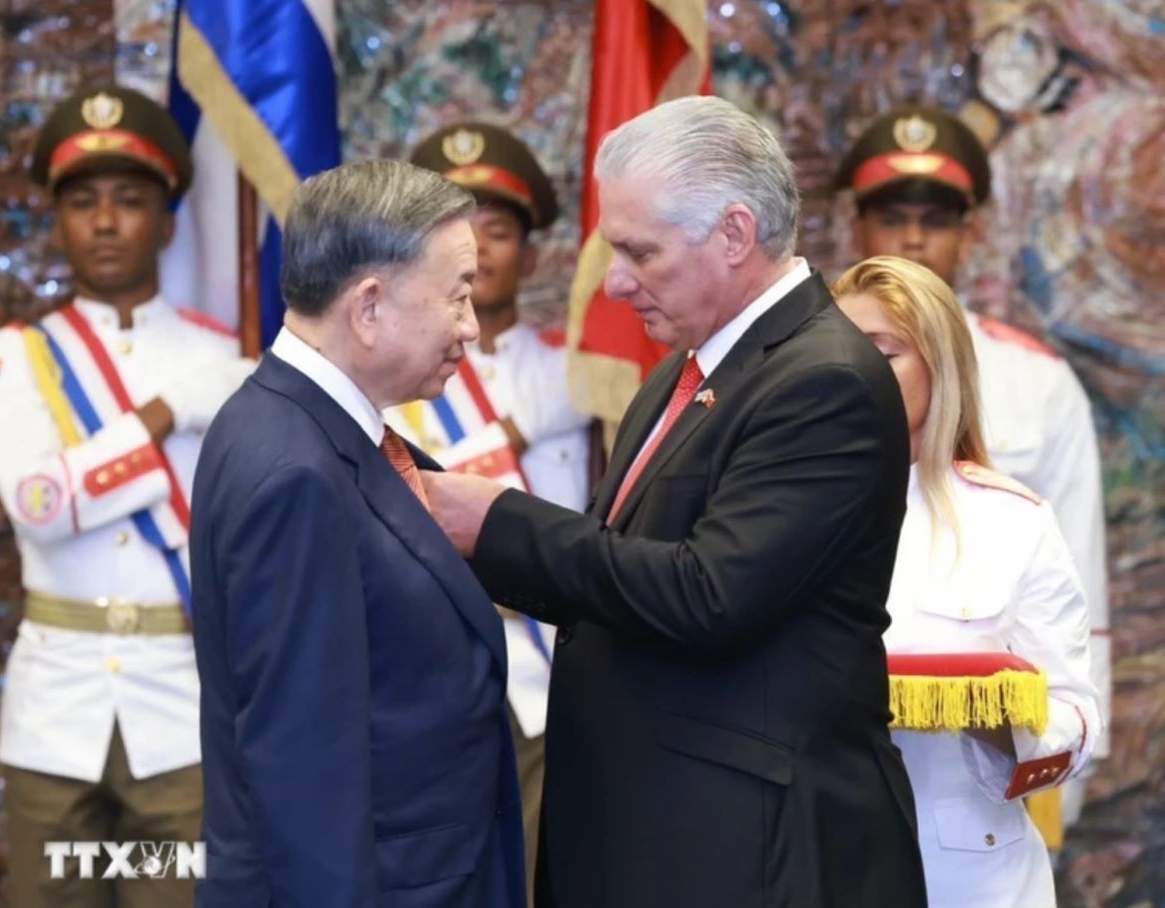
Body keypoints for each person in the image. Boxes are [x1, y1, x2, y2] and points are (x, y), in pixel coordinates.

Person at [420, 95, 926, 908]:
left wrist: (497, 521)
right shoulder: (683, 372)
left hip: (751, 854)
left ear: (733, 233)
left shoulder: (823, 378)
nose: (613, 283)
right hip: (655, 837)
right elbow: (610, 576)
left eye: (638, 252)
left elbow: (710, 594)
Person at [188, 160, 525, 907]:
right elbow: (307, 768)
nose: (472, 325)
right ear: (369, 307)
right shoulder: (295, 470)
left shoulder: (313, 426)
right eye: (458, 296)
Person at [0, 85, 254, 907]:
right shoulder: (13, 359)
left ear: (166, 223)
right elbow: (40, 508)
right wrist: (167, 415)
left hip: (183, 712)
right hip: (57, 715)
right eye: (82, 202)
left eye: (129, 202)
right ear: (57, 222)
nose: (103, 222)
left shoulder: (226, 359)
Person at [836, 107, 1110, 835]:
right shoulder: (796, 414)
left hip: (977, 813)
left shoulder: (1037, 382)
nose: (915, 238)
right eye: (892, 216)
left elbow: (1078, 612)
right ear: (855, 226)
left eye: (939, 218)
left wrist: (1042, 768)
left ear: (973, 231)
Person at [832, 255, 1102, 907]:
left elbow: (1077, 718)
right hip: (814, 862)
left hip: (969, 879)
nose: (853, 376)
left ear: (940, 364)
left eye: (883, 354)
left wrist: (998, 720)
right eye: (838, 355)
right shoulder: (770, 510)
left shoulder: (1012, 522)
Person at [403, 122, 591, 897]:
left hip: (554, 685)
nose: (476, 251)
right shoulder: (385, 369)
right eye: (452, 232)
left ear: (534, 256)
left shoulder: (583, 373)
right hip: (431, 680)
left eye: (498, 230)